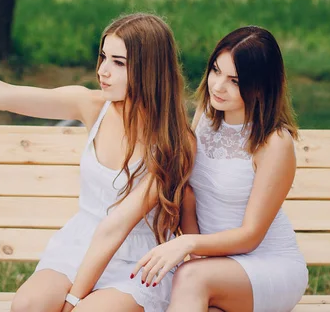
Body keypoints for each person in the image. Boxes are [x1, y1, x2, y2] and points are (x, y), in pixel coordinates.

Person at [0, 13, 195, 312]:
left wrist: (74, 300)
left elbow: (114, 230)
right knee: (28, 305)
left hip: (137, 261)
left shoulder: (173, 143)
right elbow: (2, 94)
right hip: (80, 243)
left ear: (150, 70)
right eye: (103, 57)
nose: (103, 70)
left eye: (118, 63)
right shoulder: (92, 106)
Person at [131, 26, 309, 312]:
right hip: (211, 265)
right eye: (216, 70)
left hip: (267, 264)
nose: (218, 86)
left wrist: (189, 245)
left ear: (261, 85)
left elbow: (251, 236)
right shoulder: (205, 118)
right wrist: (196, 254)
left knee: (190, 278)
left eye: (235, 80)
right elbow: (189, 193)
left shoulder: (274, 143)